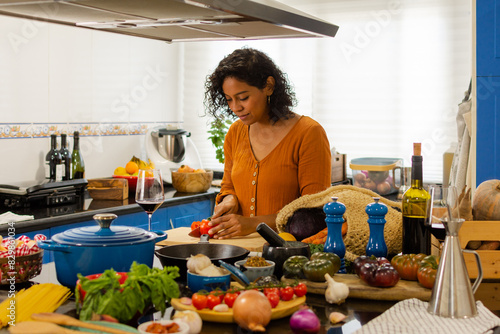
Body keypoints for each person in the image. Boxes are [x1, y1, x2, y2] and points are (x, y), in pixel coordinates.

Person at [204, 47, 332, 239]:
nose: (236, 108)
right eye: (229, 100)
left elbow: (313, 211)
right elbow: (228, 186)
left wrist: (253, 224)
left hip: (290, 254)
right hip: (240, 250)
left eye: (243, 98)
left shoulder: (308, 133)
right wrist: (230, 199)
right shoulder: (235, 133)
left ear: (269, 86)